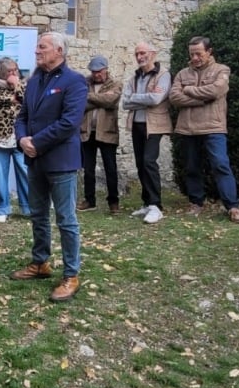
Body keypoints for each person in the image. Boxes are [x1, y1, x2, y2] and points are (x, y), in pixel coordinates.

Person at [9, 32, 88, 302]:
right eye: (37, 47)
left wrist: (37, 142)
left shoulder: (74, 81)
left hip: (60, 160)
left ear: (59, 51)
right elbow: (22, 116)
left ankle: (71, 274)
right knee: (38, 214)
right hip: (35, 159)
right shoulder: (34, 81)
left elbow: (69, 122)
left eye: (42, 47)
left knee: (66, 219)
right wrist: (22, 139)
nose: (37, 51)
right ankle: (40, 262)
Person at [169, 36, 239, 223]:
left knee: (221, 165)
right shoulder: (182, 74)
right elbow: (174, 97)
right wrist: (202, 99)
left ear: (209, 52)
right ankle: (196, 202)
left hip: (213, 127)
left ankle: (233, 207)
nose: (195, 57)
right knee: (191, 168)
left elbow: (216, 91)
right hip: (187, 129)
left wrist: (188, 90)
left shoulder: (221, 70)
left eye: (198, 53)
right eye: (192, 54)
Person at [121, 41, 171, 224]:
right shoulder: (134, 77)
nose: (140, 57)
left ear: (153, 54)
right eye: (137, 54)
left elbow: (157, 98)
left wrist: (134, 98)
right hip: (137, 124)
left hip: (154, 125)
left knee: (149, 162)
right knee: (140, 163)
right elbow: (125, 103)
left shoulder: (163, 75)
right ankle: (147, 203)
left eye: (143, 53)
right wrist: (143, 99)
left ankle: (156, 206)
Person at [0, 56, 30, 223]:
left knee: (25, 171)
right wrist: (9, 99)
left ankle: (29, 207)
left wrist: (17, 86)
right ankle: (1, 208)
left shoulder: (24, 84)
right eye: (9, 71)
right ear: (1, 73)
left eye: (15, 70)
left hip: (20, 136)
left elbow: (28, 101)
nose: (13, 73)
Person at [78, 55, 121, 213]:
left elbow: (111, 101)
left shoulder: (115, 83)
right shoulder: (84, 83)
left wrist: (89, 97)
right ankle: (90, 200)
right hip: (87, 131)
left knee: (110, 168)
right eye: (93, 72)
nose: (96, 75)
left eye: (99, 72)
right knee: (88, 168)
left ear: (106, 70)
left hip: (107, 131)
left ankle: (113, 202)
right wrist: (101, 99)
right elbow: (79, 104)